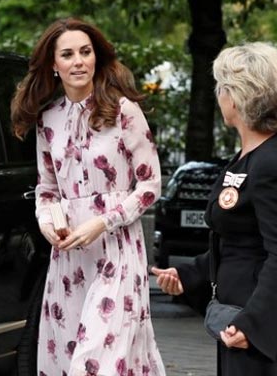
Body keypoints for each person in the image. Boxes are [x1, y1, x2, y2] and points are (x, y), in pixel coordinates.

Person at [10, 18, 166, 375]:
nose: (78, 61)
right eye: (67, 54)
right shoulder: (47, 120)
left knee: (96, 364)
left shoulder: (123, 111)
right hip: (69, 260)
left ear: (96, 57)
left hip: (117, 250)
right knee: (67, 360)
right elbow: (47, 190)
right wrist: (47, 222)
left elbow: (149, 185)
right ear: (53, 65)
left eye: (85, 52)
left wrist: (103, 221)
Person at [152, 42, 277, 376]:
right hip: (237, 311)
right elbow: (238, 241)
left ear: (237, 97)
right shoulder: (248, 156)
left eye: (222, 87)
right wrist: (189, 275)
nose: (218, 95)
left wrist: (253, 323)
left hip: (258, 319)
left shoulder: (270, 164)